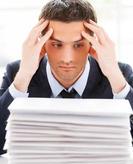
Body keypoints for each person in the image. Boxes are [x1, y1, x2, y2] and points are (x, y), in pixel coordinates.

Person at [0, 0, 133, 155]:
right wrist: (23, 77)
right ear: (42, 44)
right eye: (57, 45)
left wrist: (115, 77)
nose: (67, 58)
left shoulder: (118, 74)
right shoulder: (17, 72)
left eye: (78, 45)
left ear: (91, 44)